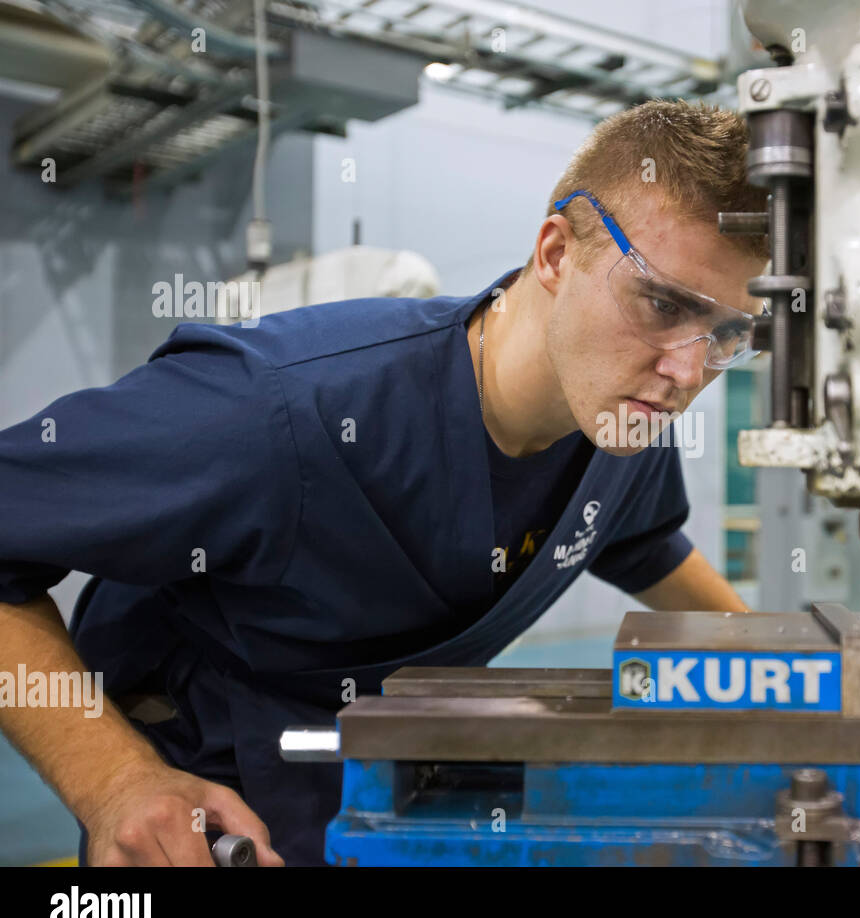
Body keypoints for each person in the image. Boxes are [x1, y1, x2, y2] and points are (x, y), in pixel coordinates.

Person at [0, 99, 769, 866]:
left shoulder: (620, 424)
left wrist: (797, 674)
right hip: (210, 813)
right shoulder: (279, 408)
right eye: (662, 303)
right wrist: (113, 784)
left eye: (728, 335)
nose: (688, 373)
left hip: (397, 790)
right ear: (556, 254)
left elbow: (642, 544)